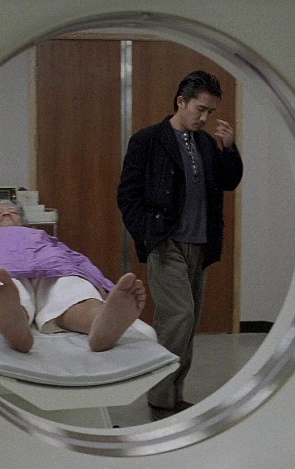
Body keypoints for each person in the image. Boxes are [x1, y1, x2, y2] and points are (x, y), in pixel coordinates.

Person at [117, 70, 243, 420]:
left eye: (210, 112)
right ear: (181, 102)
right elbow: (127, 195)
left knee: (188, 323)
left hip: (200, 246)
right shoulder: (147, 140)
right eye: (200, 109)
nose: (204, 118)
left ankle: (174, 395)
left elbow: (228, 182)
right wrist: (148, 235)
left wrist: (229, 149)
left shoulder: (206, 143)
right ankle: (160, 398)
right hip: (166, 243)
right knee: (178, 316)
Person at [0, 200, 146, 353]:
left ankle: (99, 323)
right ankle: (14, 322)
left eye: (13, 212)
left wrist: (101, 283)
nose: (6, 213)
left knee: (72, 288)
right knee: (4, 288)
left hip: (53, 267)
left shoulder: (41, 236)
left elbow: (77, 259)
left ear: (23, 221)